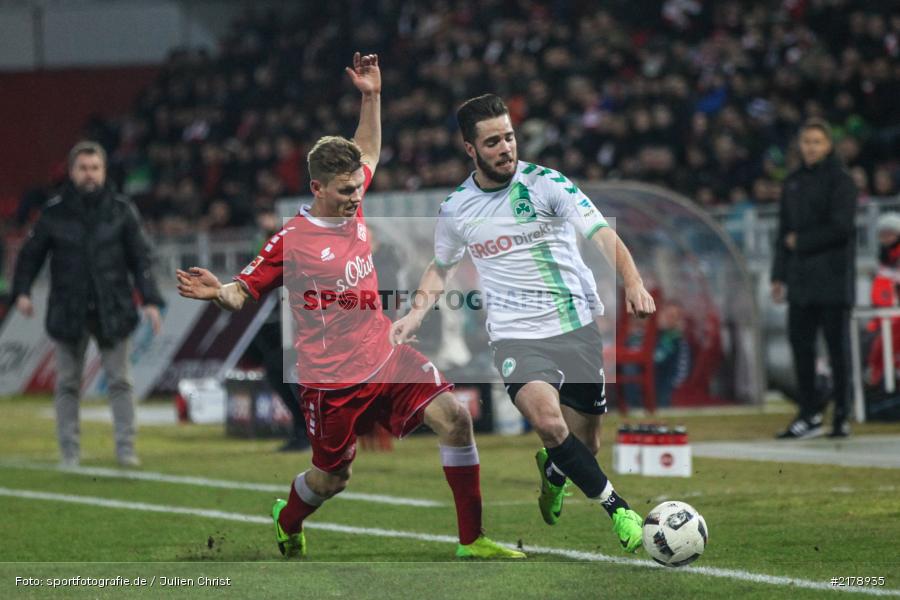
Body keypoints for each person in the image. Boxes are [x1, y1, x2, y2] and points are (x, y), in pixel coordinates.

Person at [176, 54, 523, 560]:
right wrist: (217, 291)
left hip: (385, 355)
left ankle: (473, 541)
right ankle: (288, 517)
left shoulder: (352, 193)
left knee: (455, 420)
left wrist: (371, 96)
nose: (353, 197)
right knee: (333, 476)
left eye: (357, 189)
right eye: (343, 192)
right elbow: (241, 292)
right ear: (315, 188)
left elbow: (369, 148)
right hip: (330, 382)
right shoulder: (291, 241)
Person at [391, 94, 655, 553]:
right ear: (470, 149)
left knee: (584, 445)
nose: (505, 148)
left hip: (574, 325)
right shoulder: (457, 208)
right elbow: (440, 267)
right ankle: (621, 512)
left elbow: (602, 234)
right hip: (515, 335)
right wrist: (416, 312)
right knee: (550, 425)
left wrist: (633, 282)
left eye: (509, 137)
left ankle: (554, 470)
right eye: (492, 142)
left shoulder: (547, 184)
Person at [10, 141, 165, 467]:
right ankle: (69, 452)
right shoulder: (53, 213)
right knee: (67, 383)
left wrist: (150, 299)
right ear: (71, 172)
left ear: (104, 171)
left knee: (121, 381)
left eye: (95, 168)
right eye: (83, 168)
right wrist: (21, 291)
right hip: (69, 307)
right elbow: (29, 257)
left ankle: (126, 449)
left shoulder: (122, 211)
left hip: (114, 306)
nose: (90, 174)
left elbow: (141, 259)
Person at [771, 118, 858, 439]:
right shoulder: (792, 181)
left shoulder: (841, 181)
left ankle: (842, 415)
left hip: (833, 280)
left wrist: (801, 242)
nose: (811, 148)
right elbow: (782, 233)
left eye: (817, 142)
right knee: (801, 348)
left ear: (828, 145)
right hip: (801, 281)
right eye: (806, 142)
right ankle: (809, 414)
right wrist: (778, 276)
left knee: (838, 351)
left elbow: (842, 227)